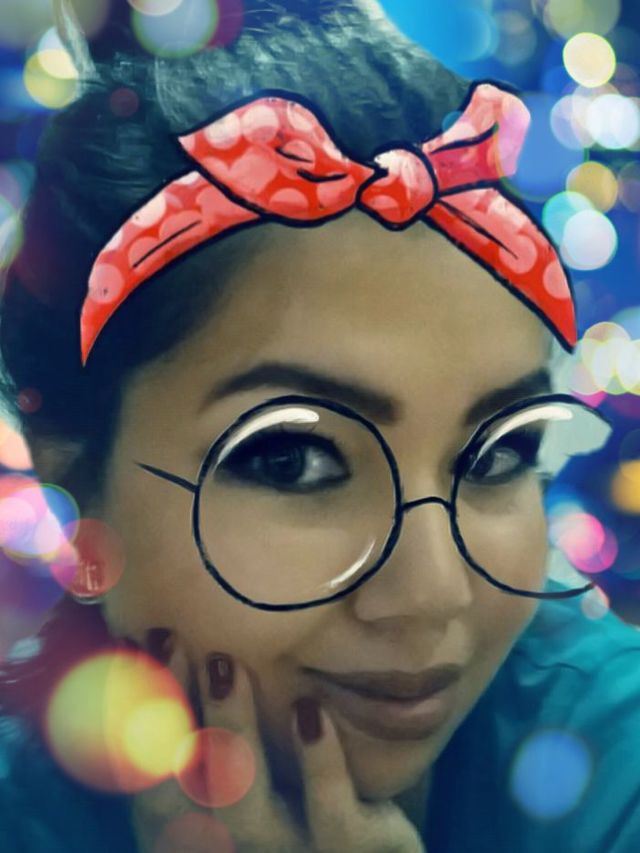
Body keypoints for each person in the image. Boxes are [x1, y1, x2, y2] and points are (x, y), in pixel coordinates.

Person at [1, 1, 640, 851]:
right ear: (73, 480)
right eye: (292, 459)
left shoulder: (613, 761)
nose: (434, 593)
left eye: (499, 454)